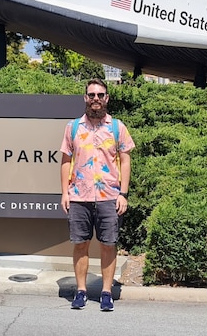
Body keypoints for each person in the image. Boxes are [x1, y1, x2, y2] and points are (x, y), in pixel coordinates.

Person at [60, 78, 135, 311]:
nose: (95, 99)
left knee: (108, 245)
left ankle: (105, 292)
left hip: (109, 197)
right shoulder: (73, 127)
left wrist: (123, 193)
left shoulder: (117, 127)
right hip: (79, 196)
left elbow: (125, 160)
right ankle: (80, 291)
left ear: (107, 98)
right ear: (85, 98)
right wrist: (64, 193)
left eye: (100, 95)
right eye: (91, 95)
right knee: (80, 244)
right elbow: (65, 160)